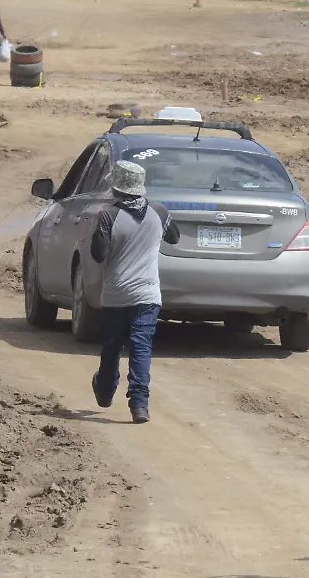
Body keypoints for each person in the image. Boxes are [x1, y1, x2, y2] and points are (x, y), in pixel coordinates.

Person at [90, 161, 180, 424]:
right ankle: (139, 405)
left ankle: (106, 391)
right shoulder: (159, 212)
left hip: (116, 294)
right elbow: (174, 238)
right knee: (141, 347)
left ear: (117, 187)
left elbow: (99, 254)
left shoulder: (107, 215)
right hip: (147, 295)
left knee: (112, 346)